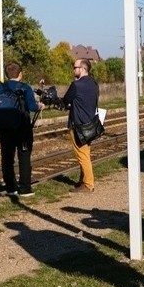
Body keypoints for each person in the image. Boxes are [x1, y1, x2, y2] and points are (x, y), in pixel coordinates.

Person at [0, 62, 45, 197]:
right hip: (22, 129)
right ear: (20, 74)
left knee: (7, 157)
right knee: (24, 156)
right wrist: (40, 106)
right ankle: (24, 188)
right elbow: (32, 106)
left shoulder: (0, 88)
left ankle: (10, 187)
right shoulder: (25, 88)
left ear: (7, 75)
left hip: (4, 128)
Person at [62, 58, 99, 193]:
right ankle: (83, 180)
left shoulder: (76, 85)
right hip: (90, 125)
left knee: (82, 155)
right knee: (85, 153)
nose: (73, 70)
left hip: (78, 125)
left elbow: (66, 100)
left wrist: (70, 104)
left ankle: (88, 184)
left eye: (75, 67)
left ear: (82, 69)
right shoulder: (94, 84)